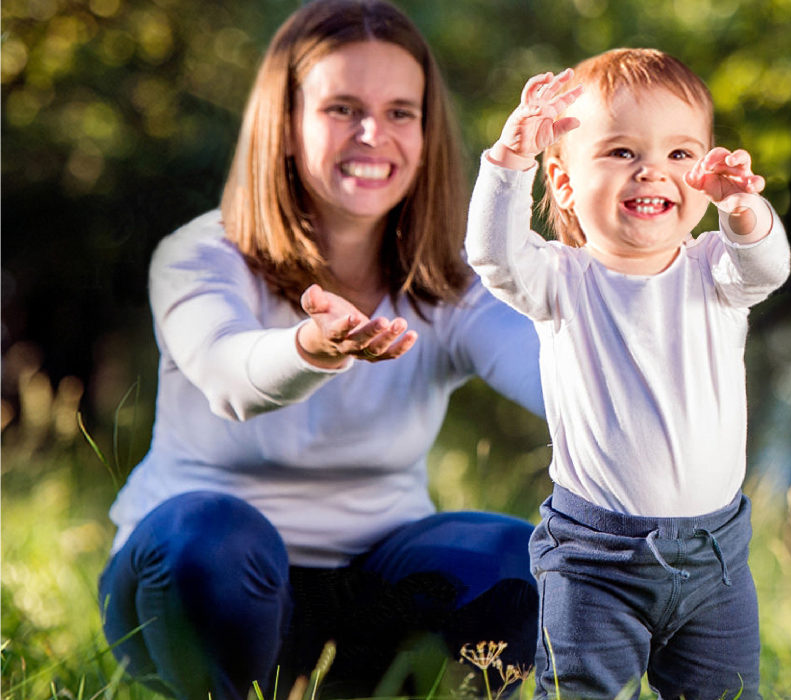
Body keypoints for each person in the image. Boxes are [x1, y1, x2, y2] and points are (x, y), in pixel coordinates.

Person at [98, 2, 544, 698]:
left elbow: (555, 380)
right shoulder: (200, 257)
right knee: (209, 532)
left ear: (426, 135)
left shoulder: (453, 279)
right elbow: (230, 377)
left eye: (401, 112)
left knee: (517, 558)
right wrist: (311, 347)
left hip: (366, 600)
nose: (374, 135)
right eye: (342, 108)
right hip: (198, 588)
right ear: (283, 127)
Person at [465, 48, 791, 699]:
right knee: (578, 689)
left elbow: (766, 267)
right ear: (561, 184)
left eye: (679, 154)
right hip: (594, 561)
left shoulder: (713, 271)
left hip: (714, 560)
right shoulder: (560, 280)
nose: (652, 171)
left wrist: (743, 211)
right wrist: (509, 163)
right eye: (620, 152)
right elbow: (493, 255)